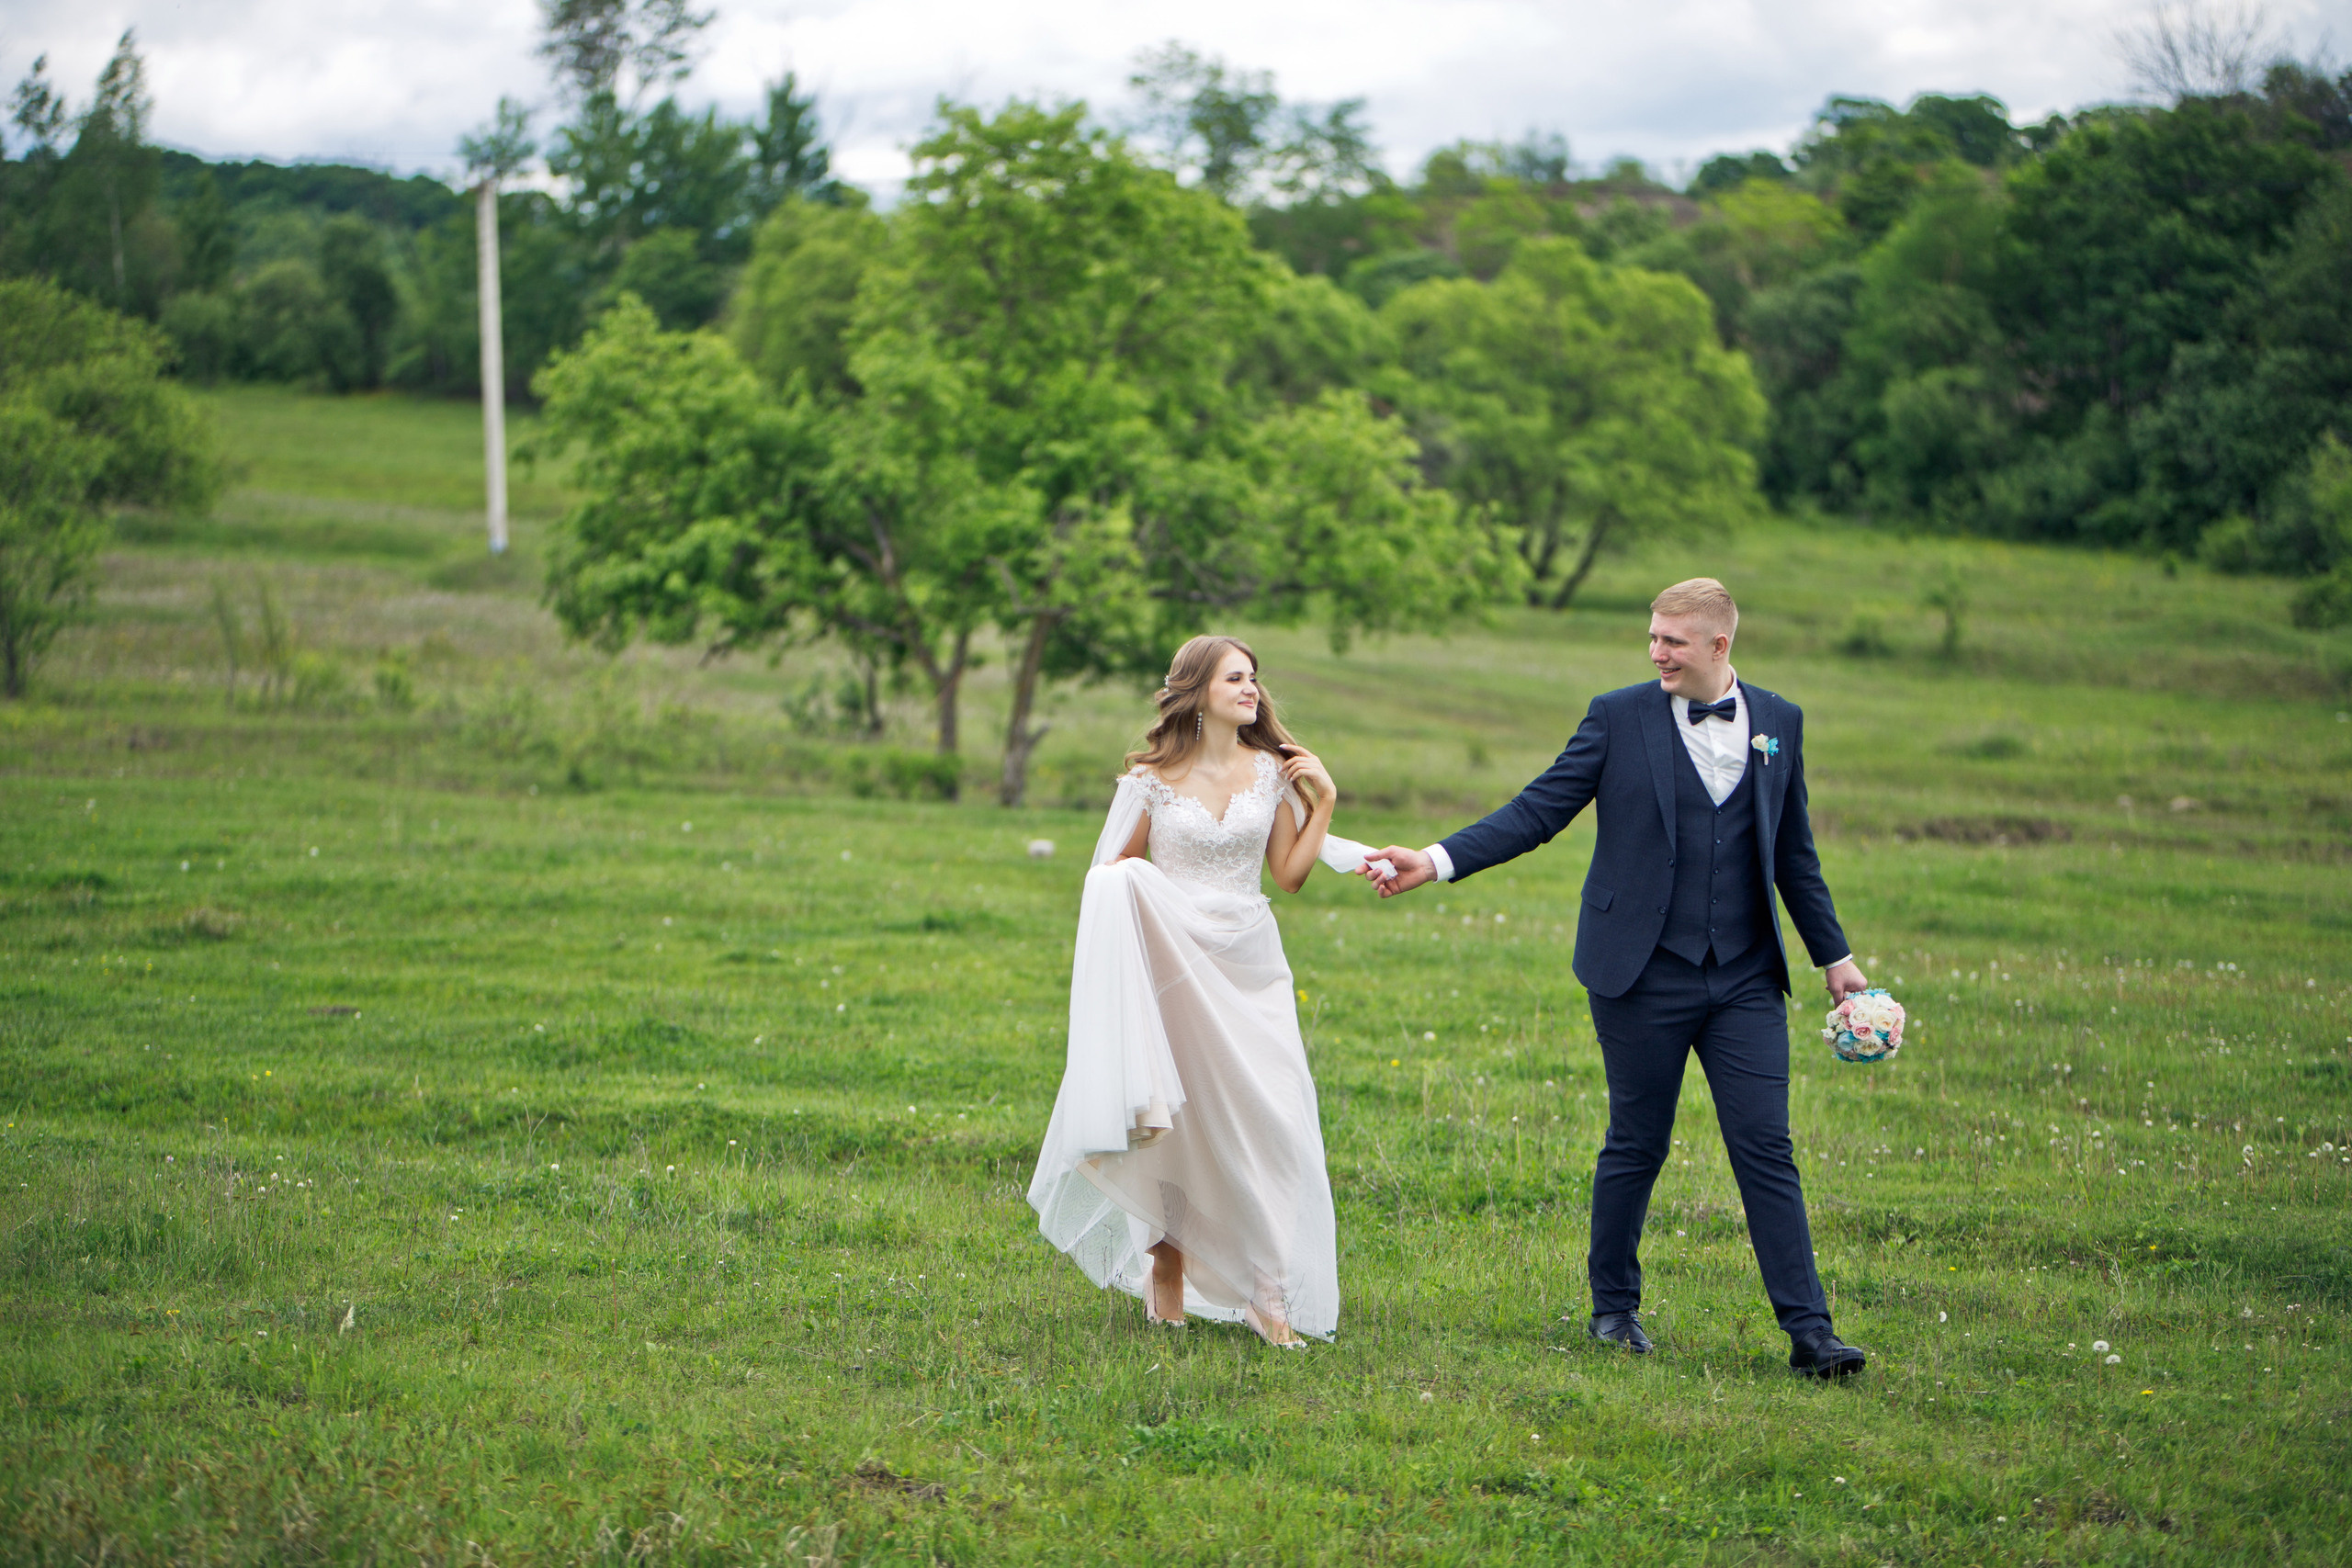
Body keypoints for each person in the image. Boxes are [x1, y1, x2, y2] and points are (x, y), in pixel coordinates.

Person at [1361, 578, 1872, 1378]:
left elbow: (1793, 856)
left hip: (1742, 976)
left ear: (1719, 645)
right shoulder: (1617, 715)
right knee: (1638, 1141)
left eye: (1672, 639)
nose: (1656, 650)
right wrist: (1434, 860)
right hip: (1638, 973)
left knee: (1766, 1145)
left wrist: (1833, 957)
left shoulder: (1780, 722)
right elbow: (1539, 811)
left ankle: (1812, 1333)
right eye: (1652, 636)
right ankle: (1614, 1309)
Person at [1026, 635, 1382, 1347]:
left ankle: (1266, 1285)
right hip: (1174, 963)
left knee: (1271, 1114)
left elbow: (1288, 874)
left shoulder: (1270, 772)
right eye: (1235, 678)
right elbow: (1116, 874)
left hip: (1249, 960)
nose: (1251, 689)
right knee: (1176, 1117)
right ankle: (1168, 1271)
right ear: (1197, 690)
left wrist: (1325, 800)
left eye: (1254, 678)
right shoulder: (1151, 780)